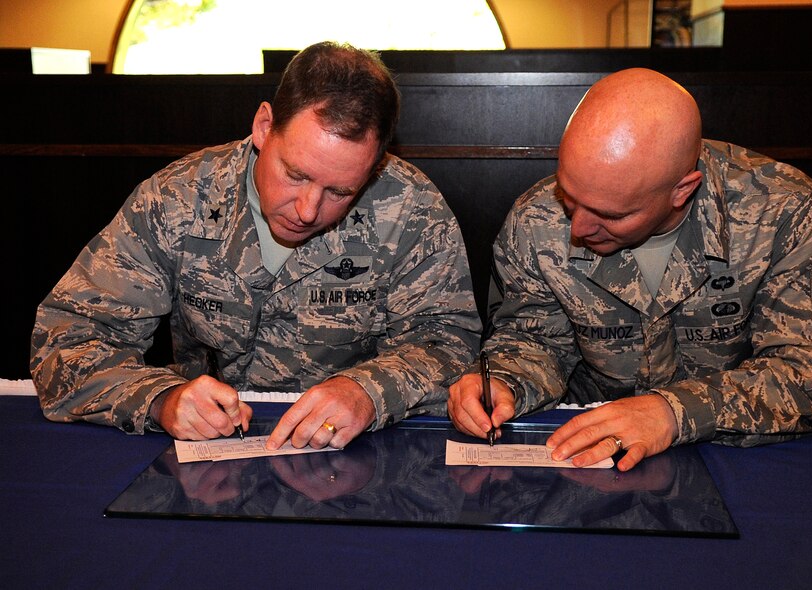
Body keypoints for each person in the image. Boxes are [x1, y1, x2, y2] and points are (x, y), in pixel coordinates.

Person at [31, 41, 481, 450]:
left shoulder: (412, 208)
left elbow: (449, 341)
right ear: (264, 127)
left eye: (340, 192)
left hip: (357, 454)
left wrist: (367, 391)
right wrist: (161, 399)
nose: (307, 210)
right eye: (296, 174)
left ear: (374, 167)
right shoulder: (177, 199)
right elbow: (68, 338)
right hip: (204, 454)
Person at [448, 68, 812, 472]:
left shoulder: (787, 212)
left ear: (682, 190)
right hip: (587, 461)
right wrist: (504, 381)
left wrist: (673, 413)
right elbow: (533, 342)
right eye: (568, 195)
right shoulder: (535, 219)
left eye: (611, 214)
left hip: (734, 458)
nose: (578, 228)